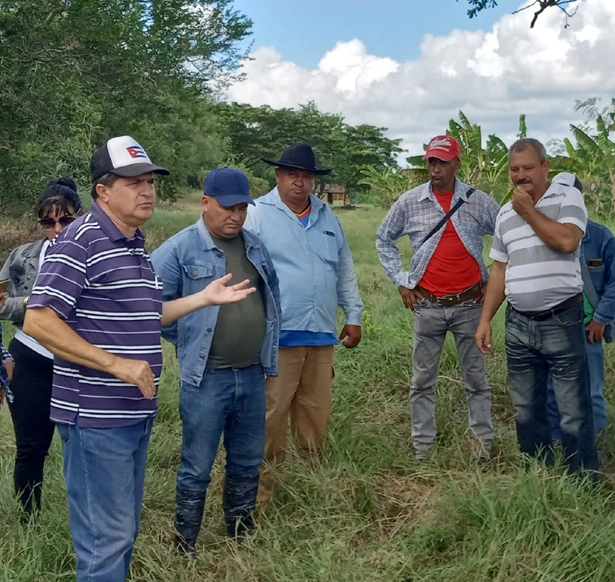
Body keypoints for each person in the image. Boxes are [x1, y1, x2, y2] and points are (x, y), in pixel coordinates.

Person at [23, 136, 256, 582]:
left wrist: (202, 299)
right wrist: (117, 365)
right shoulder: (82, 240)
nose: (147, 190)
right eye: (134, 182)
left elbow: (148, 314)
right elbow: (38, 320)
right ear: (103, 191)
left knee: (122, 533)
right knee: (104, 542)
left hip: (133, 415)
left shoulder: (131, 243)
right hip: (96, 419)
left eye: (149, 181)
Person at [151, 167, 282, 554]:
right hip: (207, 378)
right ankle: (185, 544)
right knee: (197, 465)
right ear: (205, 202)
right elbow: (154, 311)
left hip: (252, 375)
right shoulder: (178, 249)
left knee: (246, 461)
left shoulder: (255, 246)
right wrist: (191, 341)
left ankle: (240, 536)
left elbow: (271, 299)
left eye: (242, 208)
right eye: (227, 207)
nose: (235, 216)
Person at [244, 142, 363, 503]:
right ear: (278, 176)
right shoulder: (257, 215)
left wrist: (353, 314)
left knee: (316, 413)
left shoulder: (328, 217)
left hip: (321, 333)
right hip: (277, 335)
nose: (300, 182)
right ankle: (261, 493)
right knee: (270, 415)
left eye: (306, 176)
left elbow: (344, 269)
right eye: (292, 175)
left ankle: (314, 490)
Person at [475, 138, 597, 475]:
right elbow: (499, 269)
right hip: (517, 324)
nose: (521, 175)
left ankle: (581, 480)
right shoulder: (504, 214)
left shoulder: (567, 198)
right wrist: (485, 320)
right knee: (526, 409)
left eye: (528, 167)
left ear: (545, 167)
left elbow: (567, 240)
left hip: (561, 318)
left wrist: (528, 211)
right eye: (514, 170)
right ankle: (538, 475)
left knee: (573, 410)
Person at [376, 135, 499, 461]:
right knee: (422, 381)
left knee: (476, 379)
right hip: (427, 305)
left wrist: (494, 280)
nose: (435, 168)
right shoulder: (410, 202)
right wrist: (402, 281)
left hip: (470, 305)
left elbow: (508, 237)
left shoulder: (479, 202)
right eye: (431, 161)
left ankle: (482, 448)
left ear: (457, 164)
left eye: (443, 162)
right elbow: (383, 239)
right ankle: (423, 450)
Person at [0, 178, 83, 518]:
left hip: (78, 360)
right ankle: (29, 519)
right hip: (29, 357)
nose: (57, 228)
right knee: (30, 448)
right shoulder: (21, 257)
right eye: (48, 221)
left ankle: (86, 517)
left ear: (80, 217)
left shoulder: (95, 257)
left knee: (82, 445)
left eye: (65, 219)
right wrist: (32, 306)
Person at [546, 173, 615, 445]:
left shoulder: (599, 236)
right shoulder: (543, 234)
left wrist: (601, 319)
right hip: (553, 328)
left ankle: (595, 444)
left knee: (591, 391)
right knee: (552, 391)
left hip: (588, 328)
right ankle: (558, 444)